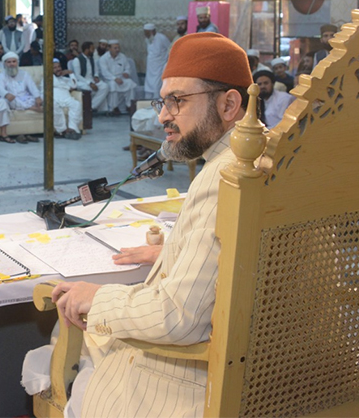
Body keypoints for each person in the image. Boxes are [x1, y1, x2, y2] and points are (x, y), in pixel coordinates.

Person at [50, 31, 253, 418]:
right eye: (164, 101)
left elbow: (177, 319)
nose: (163, 116)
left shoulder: (224, 177)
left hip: (200, 385)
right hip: (274, 369)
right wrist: (177, 246)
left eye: (178, 101)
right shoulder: (277, 157)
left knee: (68, 325)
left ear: (229, 104)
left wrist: (94, 296)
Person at [0, 52, 40, 143]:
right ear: (5, 64)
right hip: (12, 99)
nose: (11, 64)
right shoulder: (1, 76)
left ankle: (30, 106)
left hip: (25, 98)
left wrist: (37, 97)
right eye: (9, 62)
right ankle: (31, 108)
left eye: (14, 61)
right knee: (4, 101)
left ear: (17, 63)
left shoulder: (24, 74)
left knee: (44, 97)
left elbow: (32, 87)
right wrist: (6, 94)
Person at [98, 39, 138, 115]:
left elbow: (127, 68)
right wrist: (115, 79)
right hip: (109, 79)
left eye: (118, 48)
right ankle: (114, 107)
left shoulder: (122, 57)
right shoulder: (103, 58)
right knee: (113, 85)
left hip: (122, 78)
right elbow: (105, 72)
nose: (117, 50)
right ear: (109, 48)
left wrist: (126, 73)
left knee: (130, 83)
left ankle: (129, 105)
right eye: (115, 48)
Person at [52, 58, 83, 139]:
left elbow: (74, 85)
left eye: (59, 67)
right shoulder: (48, 78)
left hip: (66, 98)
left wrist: (71, 73)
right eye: (55, 68)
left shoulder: (63, 78)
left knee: (76, 104)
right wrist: (68, 87)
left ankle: (72, 129)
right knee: (54, 106)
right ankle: (61, 130)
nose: (58, 69)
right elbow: (57, 84)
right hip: (54, 99)